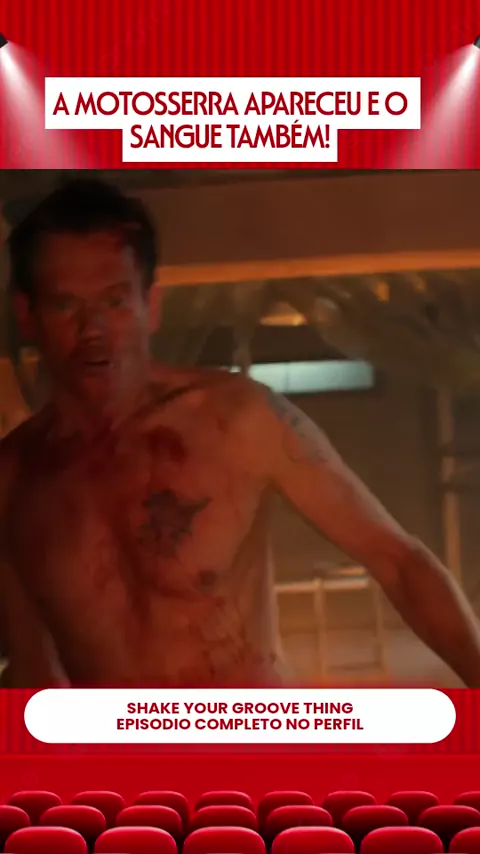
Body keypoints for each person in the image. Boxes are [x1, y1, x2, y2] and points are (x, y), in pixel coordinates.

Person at [1, 178, 480, 689]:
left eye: (114, 302)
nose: (93, 330)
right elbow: (33, 668)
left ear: (151, 305)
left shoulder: (237, 418)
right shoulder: (13, 478)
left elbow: (399, 562)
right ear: (28, 315)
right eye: (66, 305)